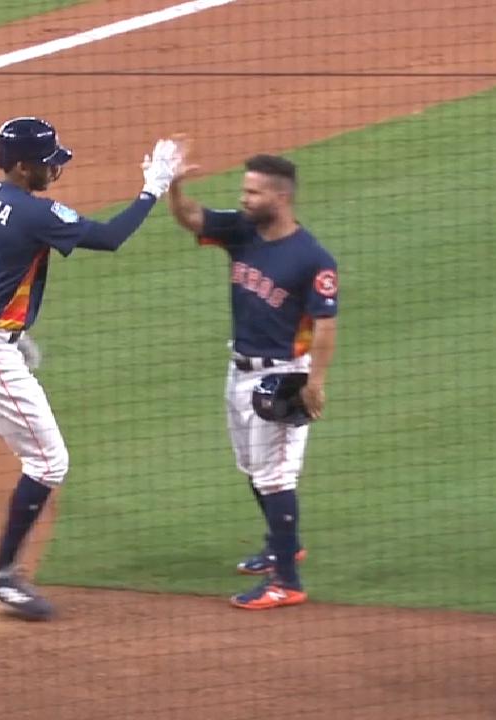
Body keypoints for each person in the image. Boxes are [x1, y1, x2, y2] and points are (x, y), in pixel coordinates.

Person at [0, 116, 181, 620]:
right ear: (21, 167)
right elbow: (109, 238)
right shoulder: (33, 213)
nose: (53, 170)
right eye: (46, 164)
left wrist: (11, 324)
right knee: (49, 462)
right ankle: (1, 573)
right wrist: (153, 188)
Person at [165, 139, 338, 610]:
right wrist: (174, 186)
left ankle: (288, 579)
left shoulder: (312, 258)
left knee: (275, 476)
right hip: (238, 369)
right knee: (253, 467)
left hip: (282, 375)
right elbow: (193, 218)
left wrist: (314, 383)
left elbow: (326, 324)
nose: (244, 199)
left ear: (281, 198)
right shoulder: (243, 231)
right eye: (244, 191)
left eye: (253, 193)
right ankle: (282, 546)